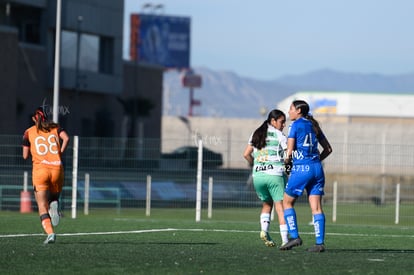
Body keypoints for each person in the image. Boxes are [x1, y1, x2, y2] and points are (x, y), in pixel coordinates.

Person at [279, 100, 332, 252]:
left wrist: (287, 164)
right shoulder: (314, 125)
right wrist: (315, 162)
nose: (288, 112)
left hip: (302, 168)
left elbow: (289, 152)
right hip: (317, 169)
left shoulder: (295, 126)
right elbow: (328, 149)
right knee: (316, 208)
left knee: (287, 202)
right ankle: (319, 243)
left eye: (290, 109)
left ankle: (295, 236)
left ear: (299, 111)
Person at [22, 107, 70, 244]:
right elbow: (66, 139)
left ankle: (50, 234)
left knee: (42, 206)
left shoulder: (28, 132)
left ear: (33, 119)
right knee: (53, 198)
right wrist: (59, 152)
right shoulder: (55, 128)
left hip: (40, 170)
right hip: (57, 169)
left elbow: (25, 156)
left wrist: (36, 153)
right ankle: (54, 203)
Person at [243, 109, 289, 247]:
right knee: (280, 206)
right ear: (273, 121)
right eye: (282, 122)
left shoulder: (256, 133)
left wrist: (255, 164)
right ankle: (286, 240)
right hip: (275, 174)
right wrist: (288, 167)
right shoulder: (279, 135)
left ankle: (264, 230)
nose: (284, 125)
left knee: (267, 204)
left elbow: (246, 154)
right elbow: (288, 156)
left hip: (258, 175)